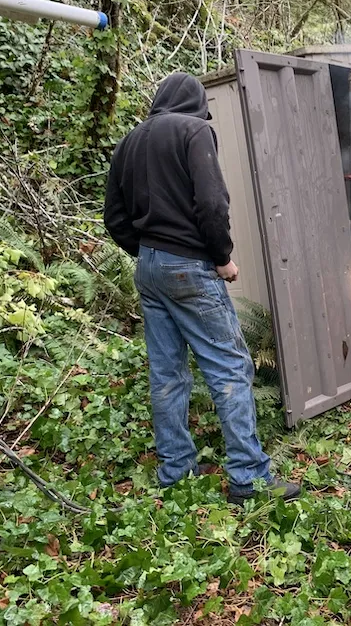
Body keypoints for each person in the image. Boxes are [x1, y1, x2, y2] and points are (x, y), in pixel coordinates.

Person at [103, 71, 299, 502]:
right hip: (189, 266)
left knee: (167, 374)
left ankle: (176, 472)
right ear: (197, 105)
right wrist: (222, 257)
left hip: (149, 269)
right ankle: (249, 478)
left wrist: (148, 251)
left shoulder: (129, 141)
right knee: (230, 367)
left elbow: (114, 218)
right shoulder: (195, 130)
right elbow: (211, 203)